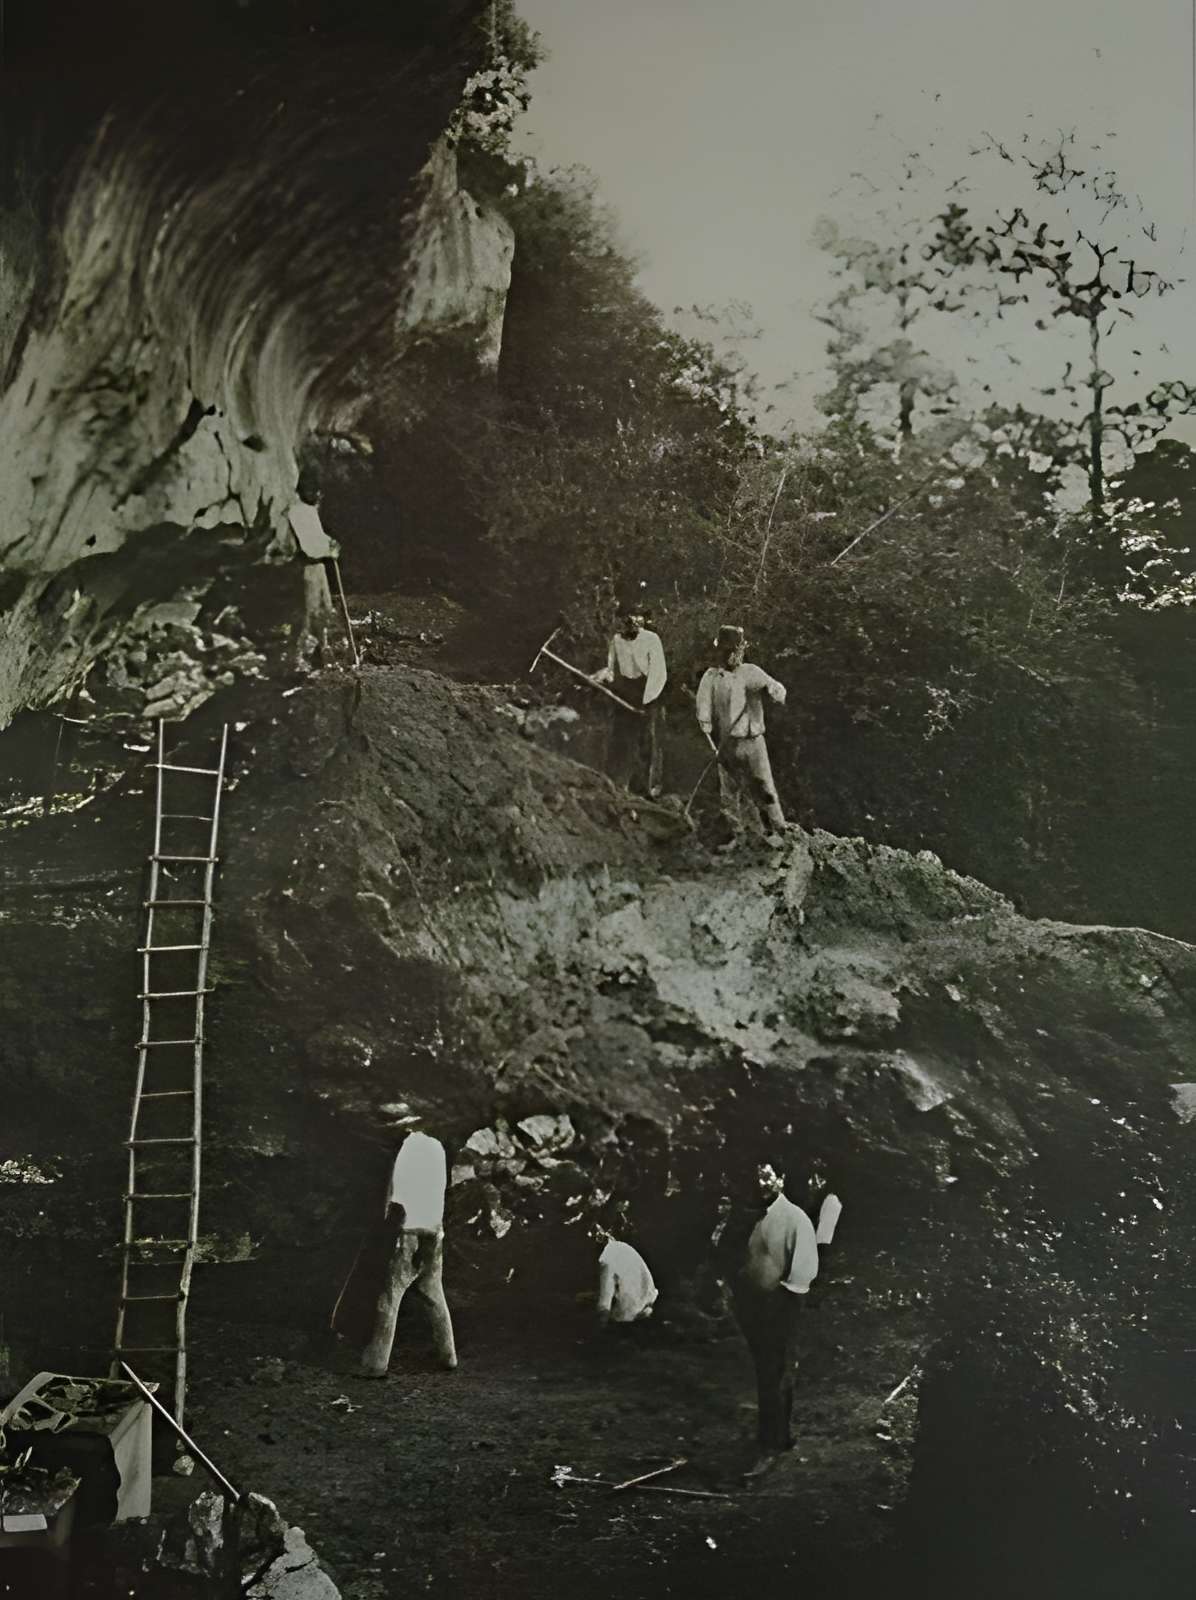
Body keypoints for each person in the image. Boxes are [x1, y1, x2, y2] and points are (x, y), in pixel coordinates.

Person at [714, 1164, 842, 1460]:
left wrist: (783, 1298)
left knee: (779, 1366)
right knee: (764, 1366)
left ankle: (778, 1438)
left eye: (768, 1176)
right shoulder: (749, 1216)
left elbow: (805, 1268)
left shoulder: (795, 1218)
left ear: (781, 1179)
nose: (762, 1183)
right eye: (757, 1176)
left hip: (783, 1301)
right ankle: (767, 1432)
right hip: (753, 1302)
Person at [355, 1131, 458, 1377]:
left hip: (407, 1234)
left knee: (389, 1297)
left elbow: (394, 1197)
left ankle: (375, 1364)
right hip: (434, 1233)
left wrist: (386, 1227)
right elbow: (440, 1192)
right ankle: (449, 1356)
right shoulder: (437, 1147)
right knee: (434, 1294)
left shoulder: (408, 1146)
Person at [695, 625, 790, 844]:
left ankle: (779, 830)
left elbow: (775, 688)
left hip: (754, 742)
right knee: (730, 791)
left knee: (764, 785)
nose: (733, 655)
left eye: (737, 650)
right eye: (728, 651)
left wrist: (773, 691)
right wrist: (711, 740)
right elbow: (703, 711)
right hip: (727, 744)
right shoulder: (711, 678)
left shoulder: (750, 672)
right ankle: (739, 835)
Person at [592, 606, 667, 798]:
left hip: (648, 693)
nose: (629, 624)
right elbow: (610, 669)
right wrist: (596, 679)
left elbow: (658, 674)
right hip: (624, 692)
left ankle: (644, 790)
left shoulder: (651, 640)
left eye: (634, 620)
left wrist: (645, 704)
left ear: (640, 622)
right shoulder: (616, 640)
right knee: (620, 737)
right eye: (625, 621)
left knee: (646, 741)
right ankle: (613, 784)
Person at [595, 1228, 659, 1327]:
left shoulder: (607, 1257)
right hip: (647, 1307)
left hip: (628, 1317)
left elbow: (604, 1302)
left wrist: (599, 1326)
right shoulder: (624, 1248)